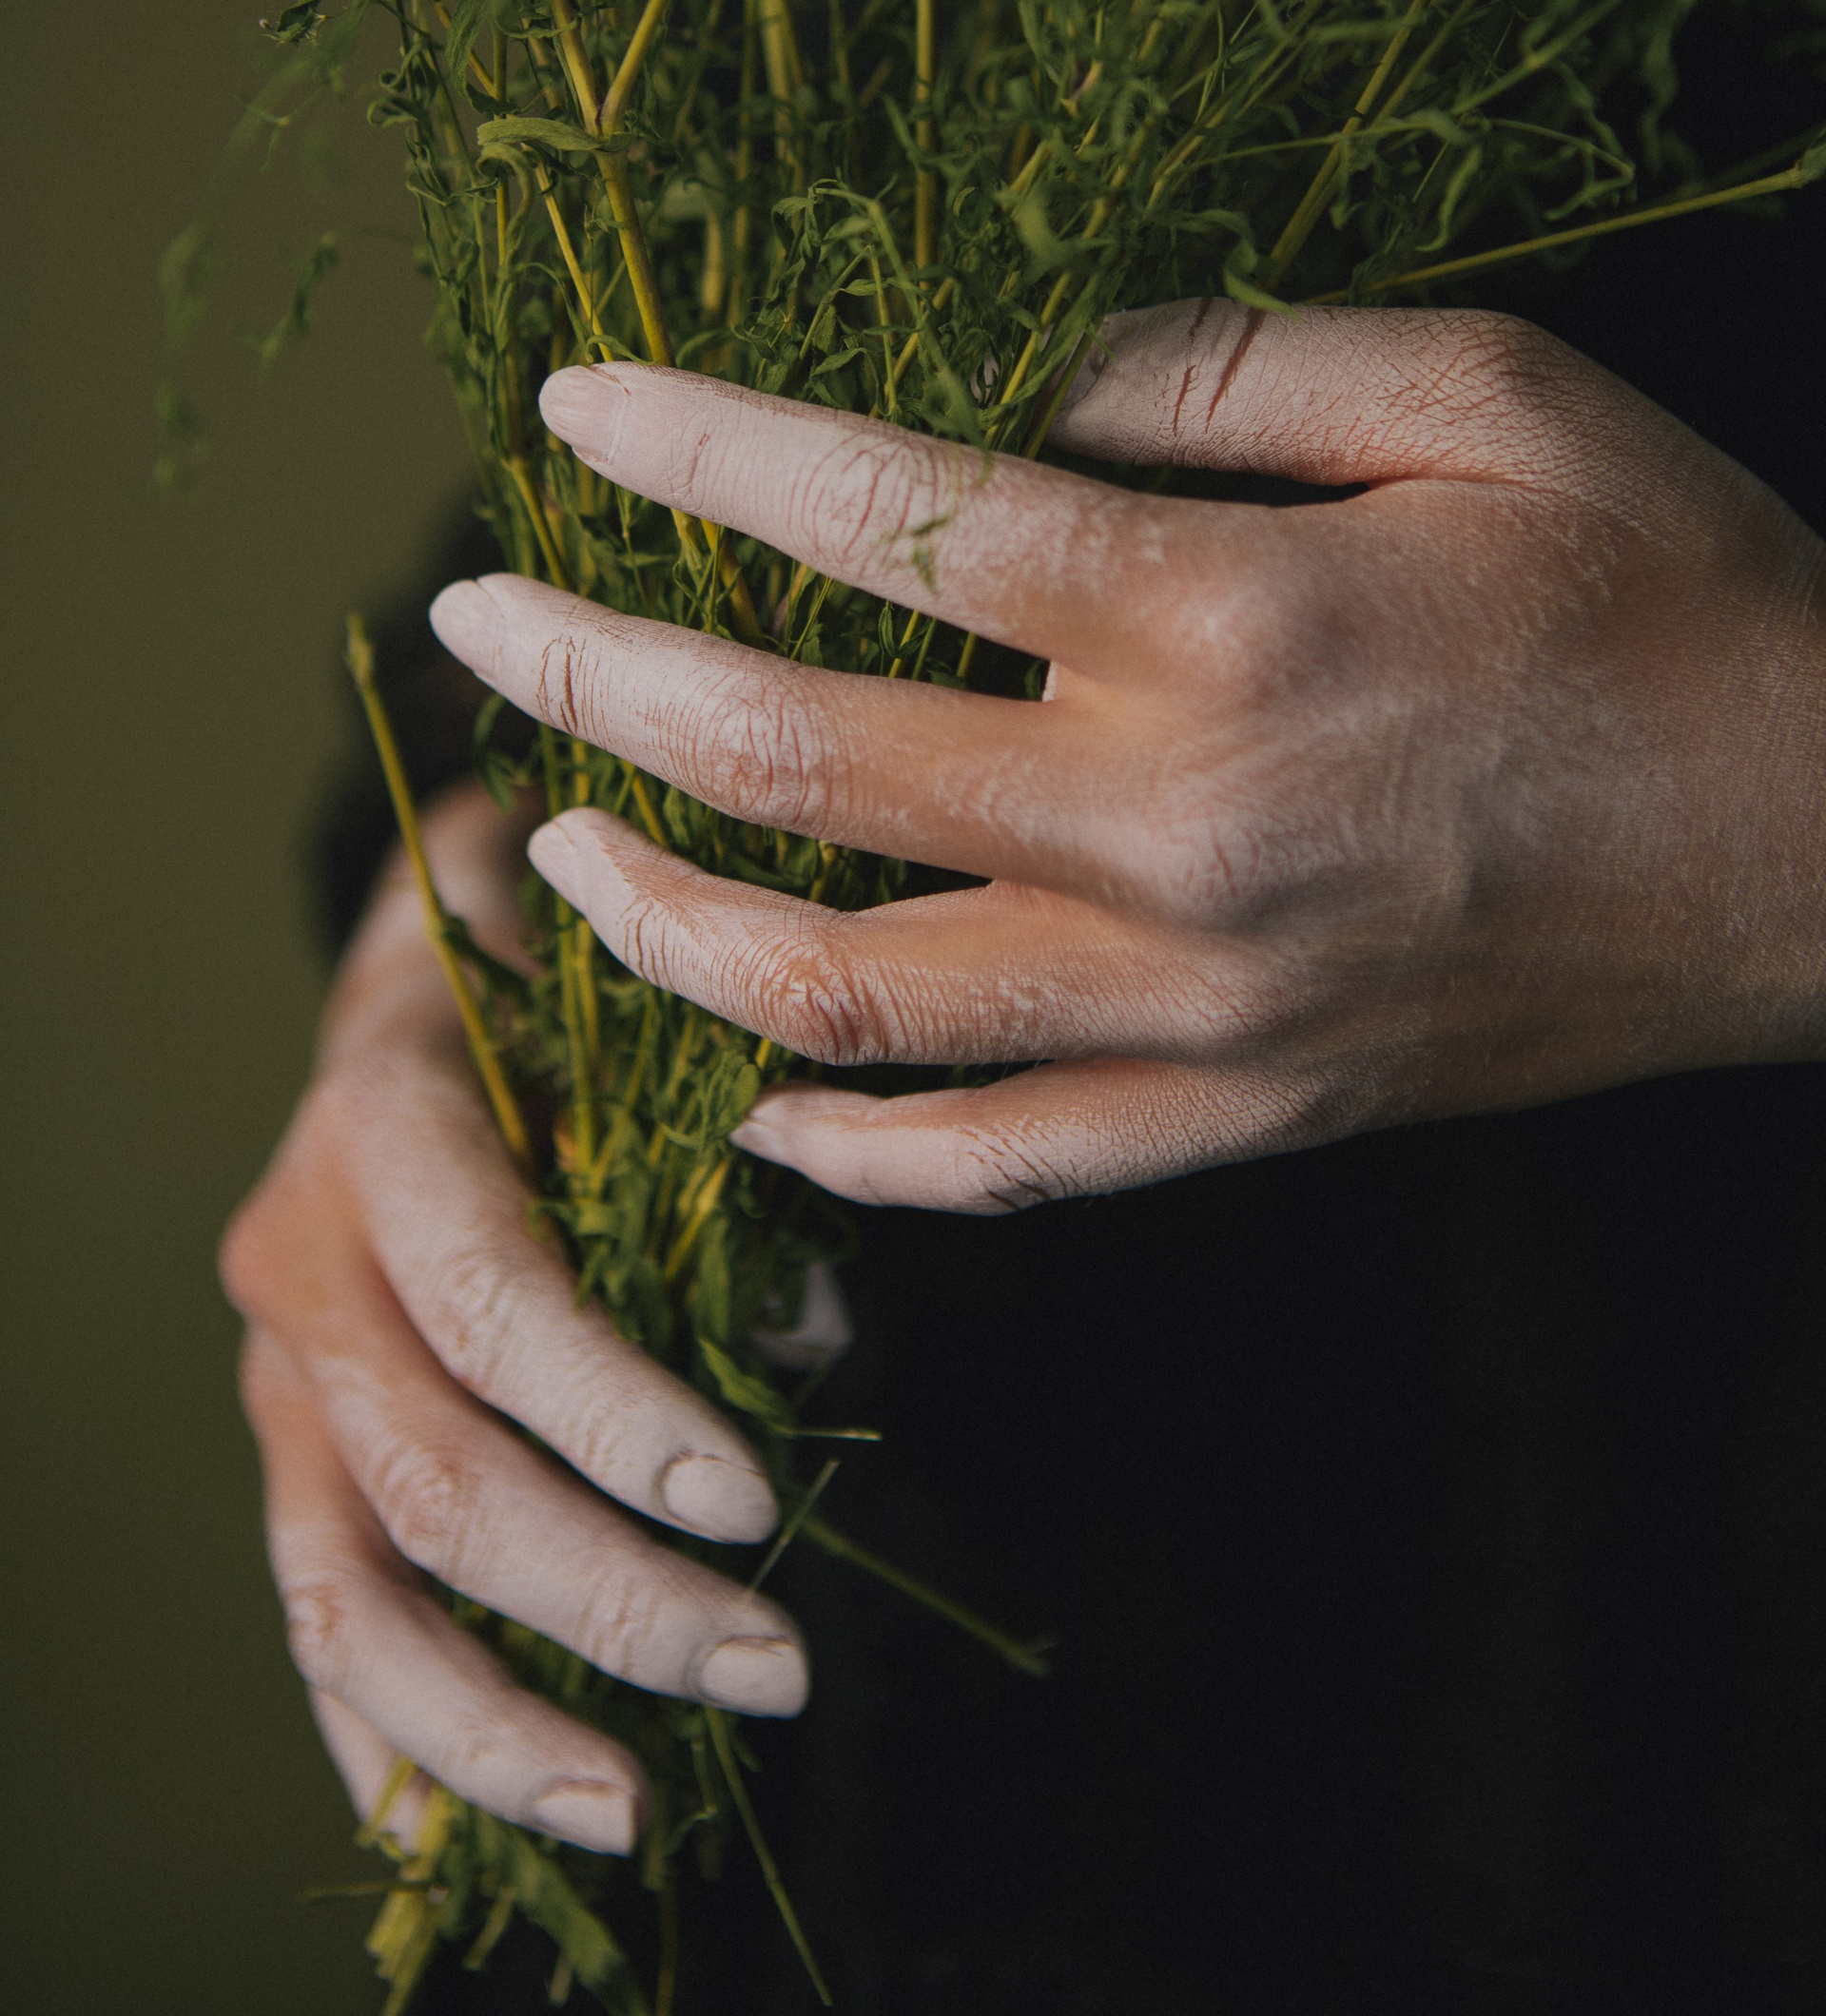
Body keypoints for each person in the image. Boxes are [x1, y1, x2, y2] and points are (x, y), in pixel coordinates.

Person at [221, 229, 1826, 2006]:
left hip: (1650, 1698)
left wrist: (1778, 823)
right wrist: (453, 938)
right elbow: (692, 331)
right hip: (827, 1678)